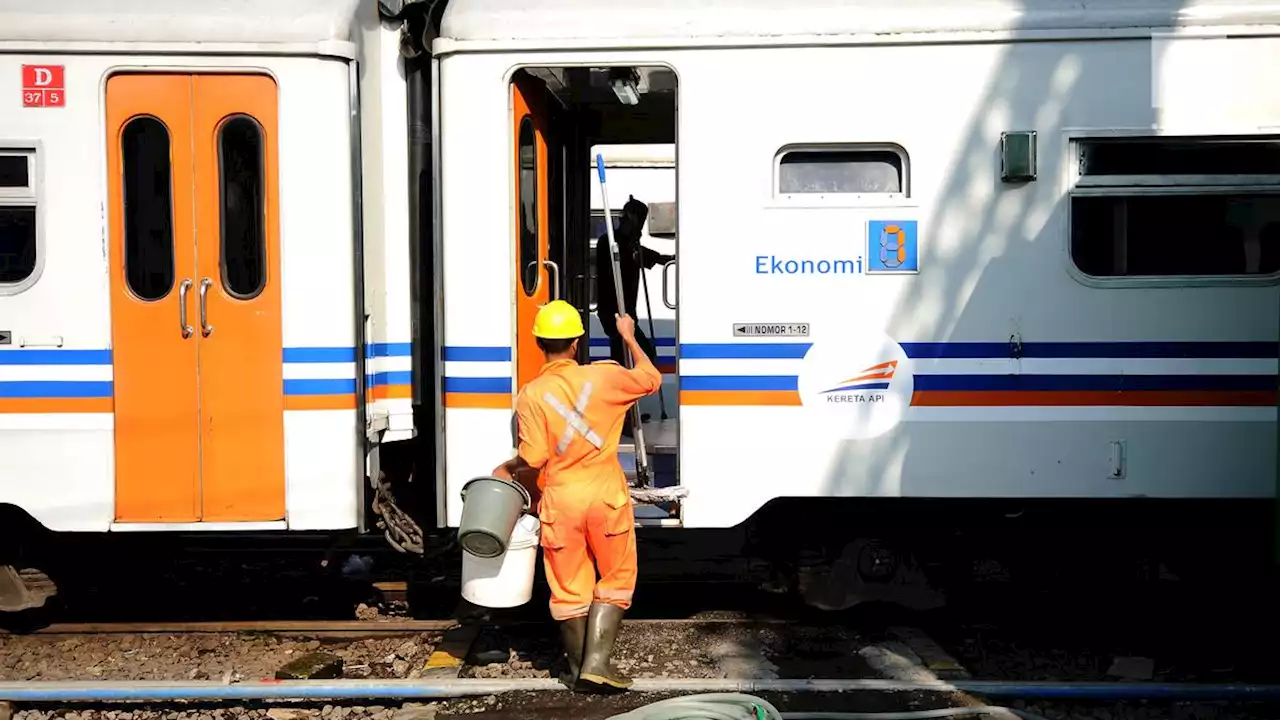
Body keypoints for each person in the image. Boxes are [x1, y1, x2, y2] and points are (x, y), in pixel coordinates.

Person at [491, 300, 662, 693]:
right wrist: (628, 337)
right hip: (605, 497)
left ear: (539, 343)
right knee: (617, 577)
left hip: (560, 502)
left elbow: (532, 458)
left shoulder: (531, 394)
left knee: (568, 588)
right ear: (576, 344)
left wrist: (507, 467)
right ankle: (598, 664)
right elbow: (651, 378)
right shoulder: (606, 377)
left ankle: (575, 669)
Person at [595, 196, 673, 369]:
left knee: (628, 357)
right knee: (634, 355)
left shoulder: (632, 246)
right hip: (614, 313)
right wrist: (633, 245)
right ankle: (621, 390)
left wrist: (673, 259)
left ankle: (624, 389)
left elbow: (653, 258)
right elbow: (617, 265)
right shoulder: (610, 243)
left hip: (627, 313)